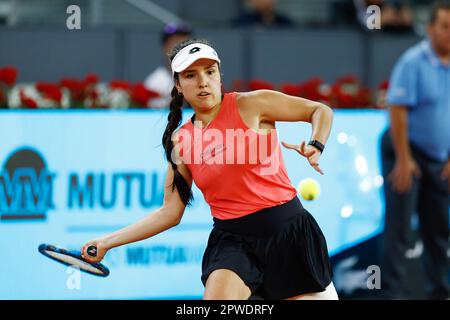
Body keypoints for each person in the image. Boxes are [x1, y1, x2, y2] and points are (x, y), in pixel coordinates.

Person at [82, 38, 338, 300]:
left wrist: (316, 144)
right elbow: (169, 213)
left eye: (210, 72)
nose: (203, 81)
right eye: (191, 75)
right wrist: (107, 242)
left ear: (219, 75)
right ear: (179, 86)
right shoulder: (180, 141)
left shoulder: (253, 104)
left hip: (290, 236)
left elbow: (319, 110)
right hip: (234, 244)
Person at [381, 1, 450, 300]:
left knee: (438, 228)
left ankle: (440, 292)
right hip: (404, 150)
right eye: (445, 26)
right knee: (399, 227)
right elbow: (397, 110)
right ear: (430, 28)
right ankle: (393, 294)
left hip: (441, 158)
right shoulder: (412, 62)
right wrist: (405, 159)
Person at [144, 22, 193, 109]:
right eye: (175, 43)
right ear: (165, 48)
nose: (180, 48)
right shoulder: (155, 81)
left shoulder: (202, 78)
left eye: (185, 43)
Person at [332, 0, 413, 33]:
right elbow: (345, 35)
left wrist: (404, 23)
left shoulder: (388, 7)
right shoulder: (342, 5)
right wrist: (375, 23)